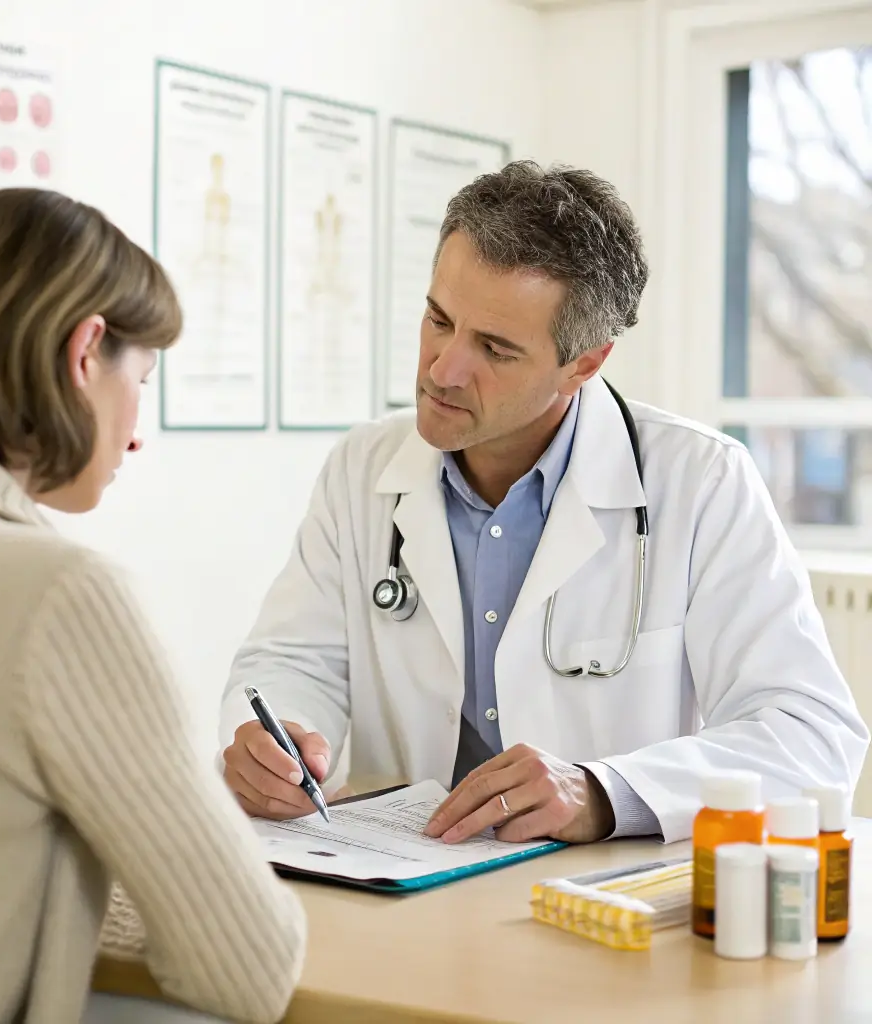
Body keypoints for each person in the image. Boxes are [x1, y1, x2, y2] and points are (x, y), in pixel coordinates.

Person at [219, 160, 869, 847]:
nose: (443, 369)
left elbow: (810, 734)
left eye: (494, 349)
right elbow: (291, 661)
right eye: (439, 320)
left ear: (584, 363)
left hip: (596, 906)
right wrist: (278, 739)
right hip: (394, 883)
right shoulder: (363, 467)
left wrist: (604, 791)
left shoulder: (701, 481)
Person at [0, 188, 305, 1024]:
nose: (136, 435)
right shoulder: (54, 597)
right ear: (86, 350)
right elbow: (249, 963)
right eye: (143, 380)